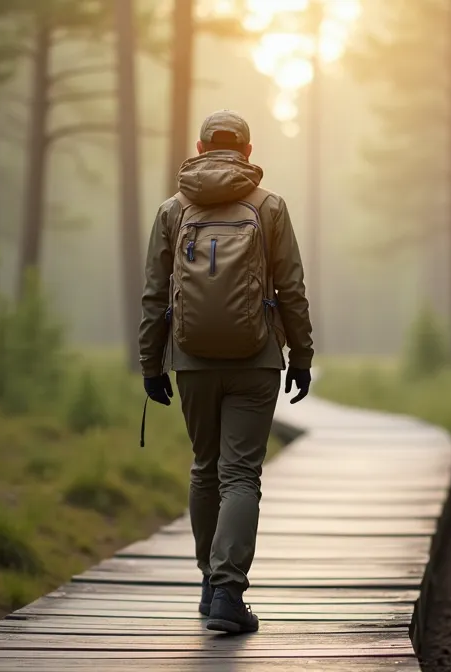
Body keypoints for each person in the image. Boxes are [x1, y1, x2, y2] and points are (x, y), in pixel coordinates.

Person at [138, 110, 314, 634]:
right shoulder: (269, 206)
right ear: (248, 151)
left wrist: (151, 363)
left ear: (199, 146)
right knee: (240, 474)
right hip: (255, 358)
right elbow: (292, 289)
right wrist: (301, 356)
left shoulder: (173, 209)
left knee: (204, 468)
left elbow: (153, 294)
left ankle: (208, 585)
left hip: (190, 360)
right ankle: (228, 592)